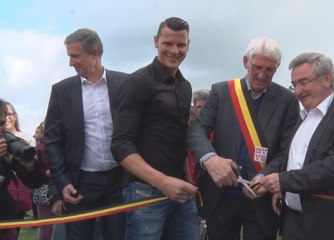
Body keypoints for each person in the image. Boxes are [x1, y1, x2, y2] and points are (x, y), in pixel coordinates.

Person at [187, 37, 299, 240]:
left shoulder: (287, 100)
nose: (262, 75)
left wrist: (266, 175)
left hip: (260, 199)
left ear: (277, 68)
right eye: (256, 67)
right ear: (245, 61)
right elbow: (197, 130)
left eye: (269, 70)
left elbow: (287, 150)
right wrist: (210, 159)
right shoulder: (222, 92)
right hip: (220, 197)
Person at [259, 52, 334, 240]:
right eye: (294, 85)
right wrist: (281, 189)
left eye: (303, 82)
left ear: (326, 79)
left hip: (331, 227)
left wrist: (283, 181)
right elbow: (294, 159)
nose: (297, 91)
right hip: (293, 224)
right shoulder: (300, 116)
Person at [110, 17, 199, 239]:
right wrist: (161, 181)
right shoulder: (137, 82)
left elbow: (179, 141)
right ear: (155, 42)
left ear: (188, 45)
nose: (174, 50)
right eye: (168, 43)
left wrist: (188, 181)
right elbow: (120, 145)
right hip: (144, 192)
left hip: (180, 191)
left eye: (181, 44)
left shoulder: (185, 86)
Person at [44, 28, 127, 240]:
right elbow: (52, 142)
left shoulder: (125, 84)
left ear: (95, 53)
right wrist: (62, 183)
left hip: (120, 182)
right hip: (80, 185)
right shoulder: (61, 91)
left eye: (75, 55)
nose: (70, 62)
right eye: (69, 56)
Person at [0, 98, 46, 240]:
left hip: (5, 219)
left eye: (1, 123)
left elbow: (35, 182)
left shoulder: (7, 142)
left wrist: (29, 166)